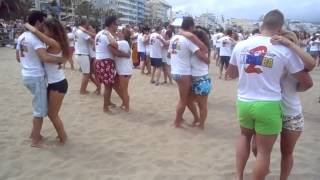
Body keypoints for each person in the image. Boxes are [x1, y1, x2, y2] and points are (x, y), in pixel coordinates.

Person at [226, 10, 313, 180]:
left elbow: (231, 73)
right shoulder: (282, 49)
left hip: (244, 101)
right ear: (280, 28)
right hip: (269, 104)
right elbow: (307, 77)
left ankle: (238, 177)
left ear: (261, 25)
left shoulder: (241, 44)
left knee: (245, 137)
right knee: (264, 153)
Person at [250, 31, 315, 180]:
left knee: (286, 152)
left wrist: (290, 44)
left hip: (291, 113)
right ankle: (264, 167)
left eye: (287, 43)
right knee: (256, 148)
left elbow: (310, 68)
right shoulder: (271, 60)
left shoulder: (297, 64)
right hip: (268, 111)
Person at [16, 11, 65, 147]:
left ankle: (35, 134)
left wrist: (30, 62)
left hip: (27, 75)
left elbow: (18, 57)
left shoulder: (22, 37)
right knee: (40, 110)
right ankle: (35, 140)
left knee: (43, 108)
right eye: (43, 22)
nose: (44, 25)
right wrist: (61, 59)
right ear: (38, 22)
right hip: (36, 77)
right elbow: (45, 58)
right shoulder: (35, 39)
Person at [24, 18, 71, 145]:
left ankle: (63, 137)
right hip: (54, 82)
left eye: (45, 29)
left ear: (52, 30)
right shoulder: (55, 43)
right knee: (52, 113)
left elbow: (36, 32)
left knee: (52, 114)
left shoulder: (54, 43)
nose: (43, 31)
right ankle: (61, 136)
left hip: (58, 83)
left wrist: (26, 23)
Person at [168, 17, 209, 128]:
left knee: (187, 99)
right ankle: (177, 121)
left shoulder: (174, 38)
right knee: (183, 100)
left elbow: (169, 54)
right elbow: (203, 51)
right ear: (191, 27)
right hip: (183, 73)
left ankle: (195, 118)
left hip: (174, 72)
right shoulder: (188, 40)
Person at [95, 16, 130, 113]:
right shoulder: (106, 35)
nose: (117, 27)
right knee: (108, 86)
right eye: (116, 24)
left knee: (111, 84)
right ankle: (105, 108)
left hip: (100, 61)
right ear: (112, 24)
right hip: (105, 62)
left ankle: (109, 102)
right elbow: (114, 51)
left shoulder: (99, 33)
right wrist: (126, 55)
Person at [114, 29, 133, 112]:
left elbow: (111, 44)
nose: (118, 32)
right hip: (124, 69)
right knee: (121, 88)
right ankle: (124, 103)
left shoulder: (122, 43)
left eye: (120, 32)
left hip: (124, 70)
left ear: (124, 35)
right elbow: (128, 54)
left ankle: (127, 108)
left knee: (124, 89)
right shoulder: (124, 43)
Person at [74, 19, 92, 94]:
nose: (89, 24)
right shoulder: (82, 32)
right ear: (84, 24)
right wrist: (91, 31)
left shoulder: (77, 31)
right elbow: (92, 41)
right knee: (86, 74)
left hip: (79, 54)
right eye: (88, 23)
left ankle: (83, 89)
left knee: (86, 73)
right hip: (83, 54)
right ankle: (82, 90)